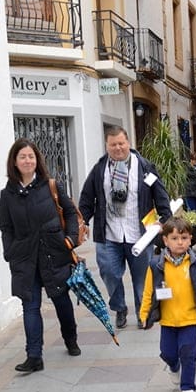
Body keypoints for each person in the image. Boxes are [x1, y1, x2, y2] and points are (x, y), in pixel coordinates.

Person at [0, 138, 81, 373]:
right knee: (30, 306)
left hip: (53, 253)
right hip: (24, 258)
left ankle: (70, 338)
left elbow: (71, 213)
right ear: (14, 162)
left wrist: (70, 239)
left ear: (37, 160)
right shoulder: (8, 195)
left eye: (31, 156)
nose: (27, 160)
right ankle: (34, 355)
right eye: (22, 156)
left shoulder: (51, 186)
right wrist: (10, 252)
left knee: (61, 300)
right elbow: (6, 227)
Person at [79, 125, 172, 331]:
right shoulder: (99, 169)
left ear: (128, 143)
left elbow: (160, 194)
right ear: (107, 146)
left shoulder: (145, 167)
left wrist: (165, 219)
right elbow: (87, 198)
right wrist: (83, 221)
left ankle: (143, 312)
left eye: (121, 143)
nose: (118, 148)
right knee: (109, 273)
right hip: (109, 233)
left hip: (139, 234)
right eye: (113, 145)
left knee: (142, 278)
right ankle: (120, 307)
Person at [138, 217, 196, 392]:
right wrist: (144, 314)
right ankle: (173, 366)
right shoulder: (156, 265)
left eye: (184, 238)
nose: (180, 242)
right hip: (168, 320)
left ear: (190, 240)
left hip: (190, 318)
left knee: (188, 352)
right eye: (175, 238)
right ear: (165, 240)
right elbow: (148, 292)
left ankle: (188, 388)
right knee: (168, 353)